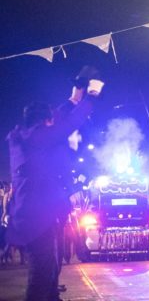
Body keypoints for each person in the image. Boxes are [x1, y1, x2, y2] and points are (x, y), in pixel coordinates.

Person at [6, 67, 102, 301]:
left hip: (39, 215)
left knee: (51, 267)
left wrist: (75, 94)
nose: (52, 123)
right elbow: (67, 124)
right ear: (43, 122)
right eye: (49, 120)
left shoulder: (26, 135)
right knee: (41, 272)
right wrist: (91, 96)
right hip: (36, 218)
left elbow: (58, 118)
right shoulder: (36, 138)